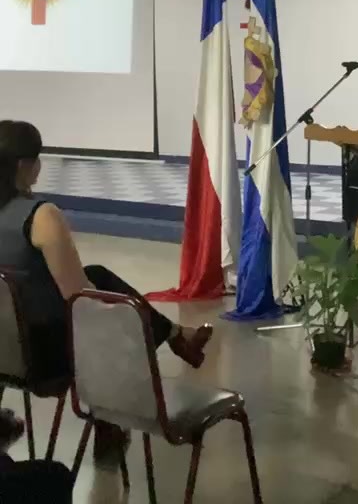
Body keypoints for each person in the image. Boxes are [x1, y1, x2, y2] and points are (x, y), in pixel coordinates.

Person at [0, 120, 213, 462]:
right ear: (25, 165)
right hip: (41, 357)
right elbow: (79, 298)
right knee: (106, 317)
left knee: (97, 277)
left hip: (5, 349)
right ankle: (110, 422)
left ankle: (176, 336)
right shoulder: (40, 217)